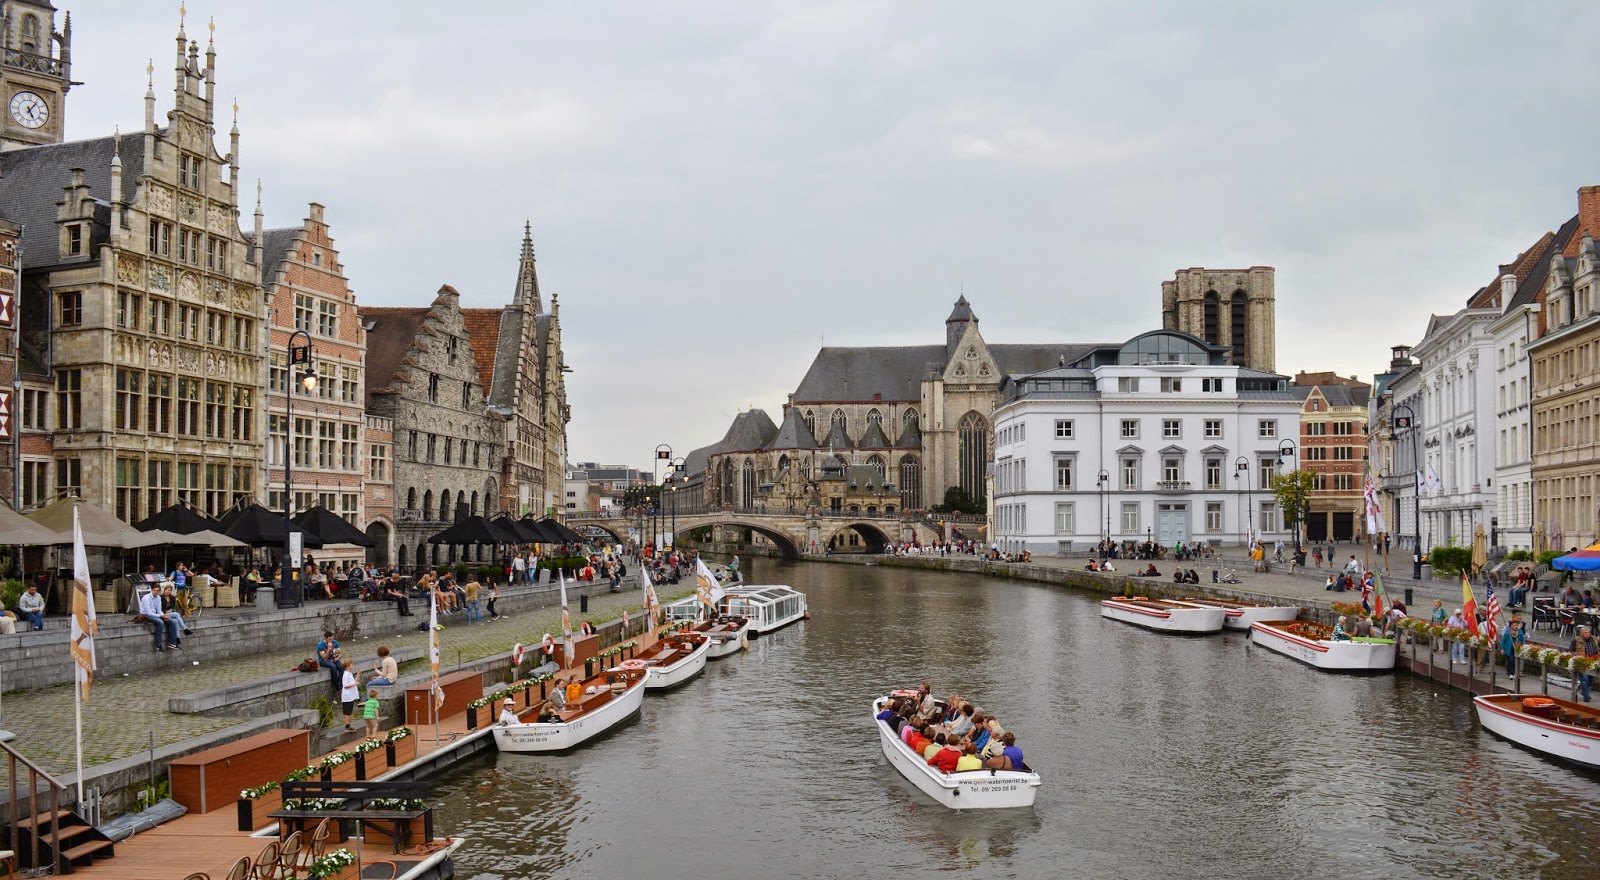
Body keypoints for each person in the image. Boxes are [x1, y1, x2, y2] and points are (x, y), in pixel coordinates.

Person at [139, 584, 181, 652]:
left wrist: (164, 615)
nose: (156, 592)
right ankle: (158, 645)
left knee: (172, 621)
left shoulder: (158, 598)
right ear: (151, 590)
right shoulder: (146, 598)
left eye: (157, 591)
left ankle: (172, 643)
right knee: (160, 622)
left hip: (156, 614)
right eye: (154, 590)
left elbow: (159, 610)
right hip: (146, 615)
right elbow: (149, 612)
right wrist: (160, 616)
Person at [1571, 626, 1599, 701]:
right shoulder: (1576, 640)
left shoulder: (1595, 639)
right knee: (1584, 679)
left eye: (1588, 632)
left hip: (1593, 661)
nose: (1587, 634)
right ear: (1581, 633)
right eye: (1585, 633)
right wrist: (1577, 655)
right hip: (1582, 662)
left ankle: (1583, 689)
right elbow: (1571, 651)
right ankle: (1586, 696)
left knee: (1591, 679)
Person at [317, 630, 343, 696]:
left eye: (332, 639)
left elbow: (340, 653)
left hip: (333, 658)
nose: (331, 640)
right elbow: (324, 658)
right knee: (333, 667)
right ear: (325, 638)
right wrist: (329, 649)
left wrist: (338, 658)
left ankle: (340, 684)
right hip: (323, 661)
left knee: (341, 667)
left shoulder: (335, 642)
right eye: (329, 639)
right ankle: (337, 687)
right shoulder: (320, 645)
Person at [339, 659, 359, 730]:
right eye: (351, 665)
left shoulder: (349, 674)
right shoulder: (346, 675)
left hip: (350, 696)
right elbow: (346, 685)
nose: (352, 666)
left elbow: (352, 682)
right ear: (348, 666)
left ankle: (348, 724)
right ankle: (347, 725)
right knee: (348, 711)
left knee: (349, 710)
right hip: (347, 696)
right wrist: (355, 684)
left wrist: (357, 676)